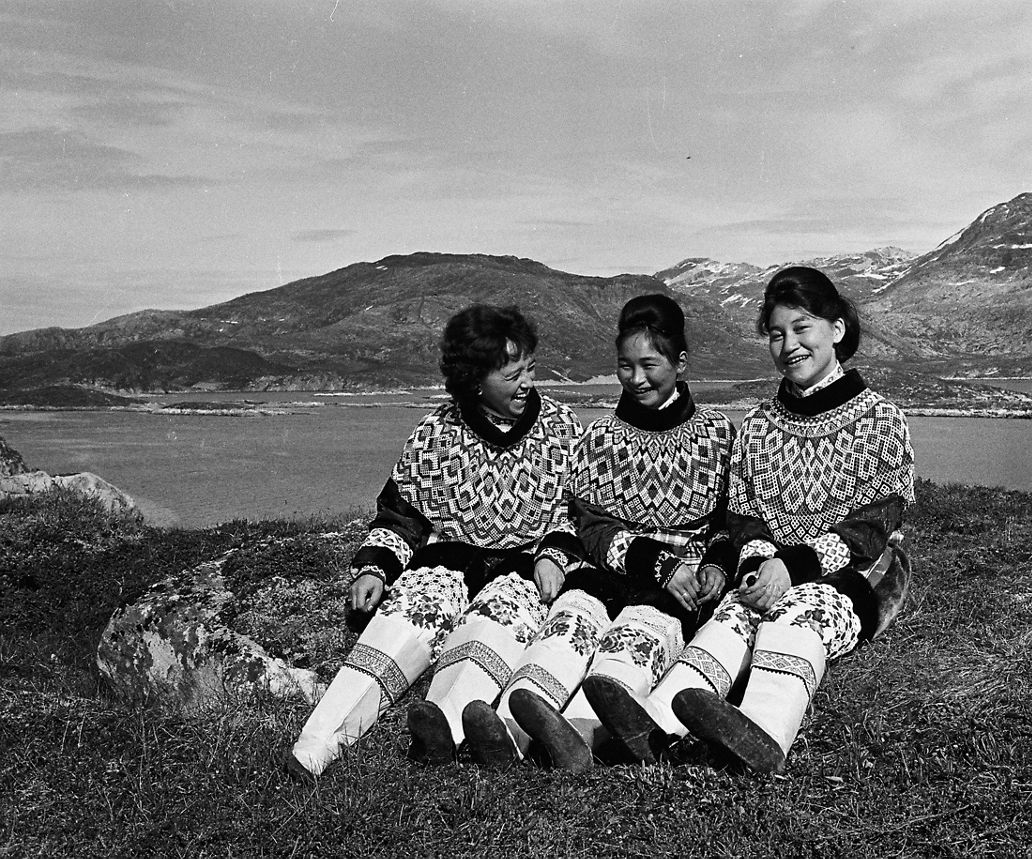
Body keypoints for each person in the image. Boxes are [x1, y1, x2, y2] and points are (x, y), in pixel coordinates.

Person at [587, 266, 915, 773]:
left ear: (837, 330)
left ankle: (763, 731)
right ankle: (648, 726)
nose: (789, 345)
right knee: (730, 619)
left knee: (797, 618)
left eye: (802, 328)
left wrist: (794, 567)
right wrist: (762, 564)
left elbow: (871, 528)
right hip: (769, 567)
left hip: (856, 571)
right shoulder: (760, 423)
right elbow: (744, 517)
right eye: (776, 334)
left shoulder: (880, 417)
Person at [437, 293, 736, 772]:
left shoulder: (720, 434)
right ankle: (504, 732)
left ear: (680, 363)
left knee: (630, 650)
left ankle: (577, 735)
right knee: (564, 632)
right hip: (608, 570)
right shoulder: (599, 437)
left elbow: (728, 521)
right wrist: (655, 561)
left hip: (678, 589)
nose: (636, 379)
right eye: (624, 365)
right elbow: (592, 526)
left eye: (649, 365)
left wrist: (717, 567)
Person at [286, 304, 582, 777]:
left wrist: (555, 554)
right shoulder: (435, 434)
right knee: (405, 618)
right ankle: (316, 743)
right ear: (474, 380)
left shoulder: (563, 429)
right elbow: (401, 518)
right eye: (512, 374)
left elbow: (577, 510)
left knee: (493, 627)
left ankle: (441, 728)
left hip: (525, 566)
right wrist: (375, 567)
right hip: (449, 560)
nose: (527, 383)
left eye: (530, 368)